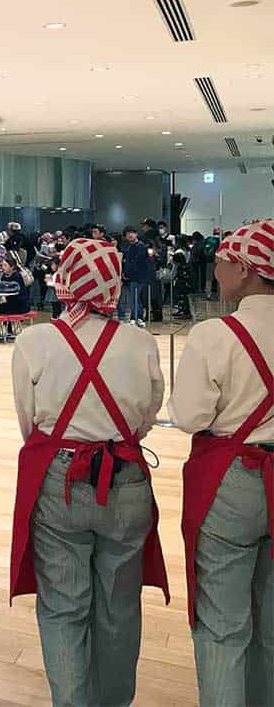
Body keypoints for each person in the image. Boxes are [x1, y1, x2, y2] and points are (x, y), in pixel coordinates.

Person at [9, 237, 168, 707]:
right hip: (126, 477)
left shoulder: (35, 341)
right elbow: (147, 416)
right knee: (119, 605)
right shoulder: (140, 342)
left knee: (63, 605)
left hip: (59, 478)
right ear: (114, 284)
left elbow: (28, 422)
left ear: (63, 279)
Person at [168, 219, 274, 706]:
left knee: (222, 625)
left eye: (223, 261)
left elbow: (189, 417)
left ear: (248, 270)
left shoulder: (216, 334)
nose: (215, 268)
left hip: (231, 478)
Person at [119, 227, 152, 327]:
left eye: (132, 233)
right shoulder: (130, 247)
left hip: (139, 276)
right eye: (128, 234)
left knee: (135, 297)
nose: (130, 235)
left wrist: (127, 273)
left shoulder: (140, 246)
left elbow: (138, 262)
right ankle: (138, 318)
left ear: (136, 234)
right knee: (136, 298)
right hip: (133, 277)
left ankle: (135, 318)